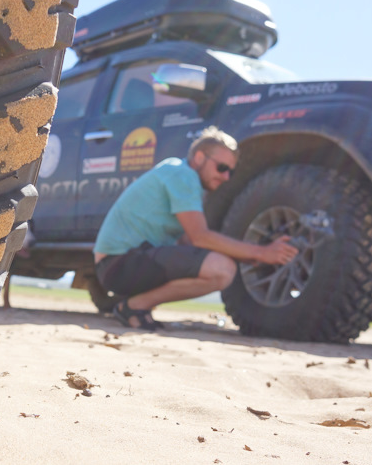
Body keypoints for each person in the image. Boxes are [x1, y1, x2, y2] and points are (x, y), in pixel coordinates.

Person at [93, 126, 298, 330]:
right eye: (222, 168)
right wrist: (261, 252)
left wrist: (243, 254)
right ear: (199, 158)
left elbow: (188, 242)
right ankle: (134, 307)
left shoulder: (178, 173)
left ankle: (136, 306)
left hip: (116, 264)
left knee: (215, 262)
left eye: (231, 171)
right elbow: (200, 237)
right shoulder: (183, 175)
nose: (226, 177)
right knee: (222, 270)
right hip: (118, 264)